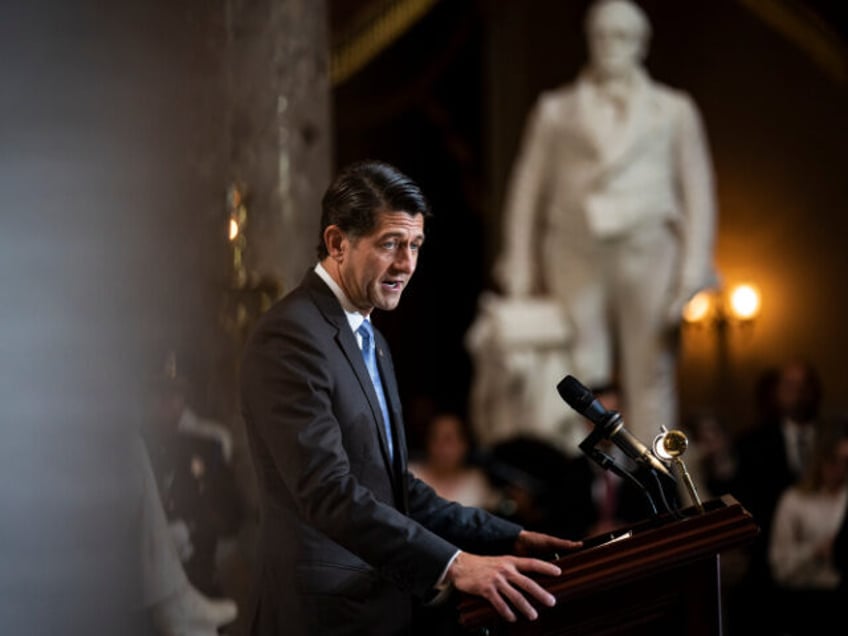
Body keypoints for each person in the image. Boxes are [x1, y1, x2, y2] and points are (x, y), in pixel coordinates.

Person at [238, 160, 582, 636]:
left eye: (415, 245)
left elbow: (393, 487)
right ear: (338, 243)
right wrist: (455, 564)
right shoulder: (291, 335)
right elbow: (328, 493)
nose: (406, 264)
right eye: (390, 244)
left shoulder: (370, 339)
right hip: (318, 618)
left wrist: (510, 537)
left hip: (378, 610)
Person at [493, 0, 718, 447]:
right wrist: (518, 267)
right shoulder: (557, 110)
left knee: (650, 373)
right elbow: (526, 191)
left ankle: (660, 477)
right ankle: (587, 487)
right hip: (576, 249)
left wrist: (693, 274)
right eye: (600, 35)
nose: (609, 46)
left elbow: (699, 194)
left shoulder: (672, 110)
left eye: (620, 36)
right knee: (580, 371)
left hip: (649, 248)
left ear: (641, 43)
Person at [730, 357, 825, 633]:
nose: (796, 392)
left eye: (803, 385)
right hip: (769, 568)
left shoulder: (833, 437)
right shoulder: (752, 443)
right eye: (789, 385)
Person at [142, 367, 245, 599]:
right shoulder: (136, 445)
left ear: (183, 398)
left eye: (173, 394)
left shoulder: (208, 444)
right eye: (157, 394)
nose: (165, 403)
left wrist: (189, 529)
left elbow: (230, 513)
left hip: (195, 576)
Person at [767, 420, 848, 635]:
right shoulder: (794, 500)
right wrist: (816, 551)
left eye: (846, 462)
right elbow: (780, 566)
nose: (840, 470)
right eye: (835, 461)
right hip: (805, 601)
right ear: (820, 460)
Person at [408, 411, 500, 510]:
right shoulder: (411, 476)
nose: (442, 447)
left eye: (449, 440)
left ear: (464, 445)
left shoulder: (476, 482)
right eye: (435, 438)